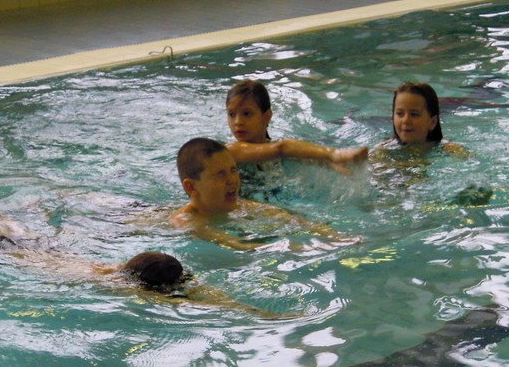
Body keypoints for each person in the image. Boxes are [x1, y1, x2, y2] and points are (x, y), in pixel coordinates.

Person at [0, 185, 276, 315]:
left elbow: (192, 287)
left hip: (37, 246)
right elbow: (185, 297)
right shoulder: (119, 285)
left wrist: (250, 309)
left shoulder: (122, 271)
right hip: (3, 253)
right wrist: (252, 312)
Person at [169, 137, 353, 251]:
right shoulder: (186, 221)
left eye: (233, 170)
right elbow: (239, 246)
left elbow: (287, 218)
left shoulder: (239, 205)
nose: (232, 180)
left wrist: (335, 237)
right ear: (191, 187)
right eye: (220, 174)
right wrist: (306, 248)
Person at [225, 79, 368, 200]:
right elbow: (284, 148)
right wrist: (334, 154)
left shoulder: (273, 150)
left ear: (266, 117)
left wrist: (332, 165)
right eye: (231, 114)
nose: (238, 122)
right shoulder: (231, 152)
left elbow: (305, 157)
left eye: (247, 114)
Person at [380, 81, 468, 156]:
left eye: (414, 114)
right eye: (400, 114)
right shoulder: (383, 151)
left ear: (432, 122)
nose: (405, 120)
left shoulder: (453, 151)